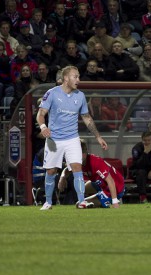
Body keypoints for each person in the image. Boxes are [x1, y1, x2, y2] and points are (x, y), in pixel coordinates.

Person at [36, 65, 108, 210]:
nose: (78, 80)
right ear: (66, 78)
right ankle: (48, 202)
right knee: (51, 171)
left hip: (72, 138)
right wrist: (43, 127)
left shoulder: (80, 95)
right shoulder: (52, 93)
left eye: (79, 76)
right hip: (54, 139)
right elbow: (41, 114)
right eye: (75, 76)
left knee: (77, 168)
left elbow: (87, 118)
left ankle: (81, 201)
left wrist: (98, 137)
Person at [58, 139, 123, 208]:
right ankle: (98, 199)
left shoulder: (96, 162)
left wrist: (115, 202)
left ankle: (105, 200)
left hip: (116, 187)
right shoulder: (78, 161)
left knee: (78, 204)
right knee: (80, 189)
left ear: (85, 153)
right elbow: (67, 169)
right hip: (99, 183)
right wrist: (62, 178)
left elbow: (110, 181)